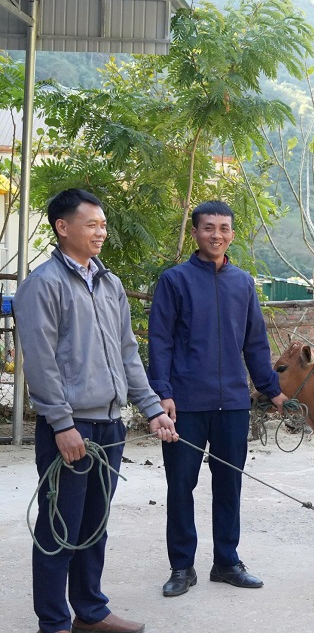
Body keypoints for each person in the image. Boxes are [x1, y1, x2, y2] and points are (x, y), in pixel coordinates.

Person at [17, 189, 178, 633]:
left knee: (93, 526)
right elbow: (41, 361)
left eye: (103, 225)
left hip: (110, 425)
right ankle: (53, 623)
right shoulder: (43, 284)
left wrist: (151, 409)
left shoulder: (108, 284)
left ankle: (90, 611)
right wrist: (61, 424)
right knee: (58, 529)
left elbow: (128, 354)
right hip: (71, 428)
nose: (101, 232)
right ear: (62, 227)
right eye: (93, 224)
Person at [147, 201, 288, 597]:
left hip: (233, 404)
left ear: (232, 233)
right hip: (186, 404)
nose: (216, 235)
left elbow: (255, 342)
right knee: (180, 486)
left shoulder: (242, 283)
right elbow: (159, 341)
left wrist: (272, 389)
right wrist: (162, 394)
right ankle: (181, 567)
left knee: (230, 484)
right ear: (195, 232)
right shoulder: (174, 280)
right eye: (208, 227)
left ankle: (227, 562)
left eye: (224, 228)